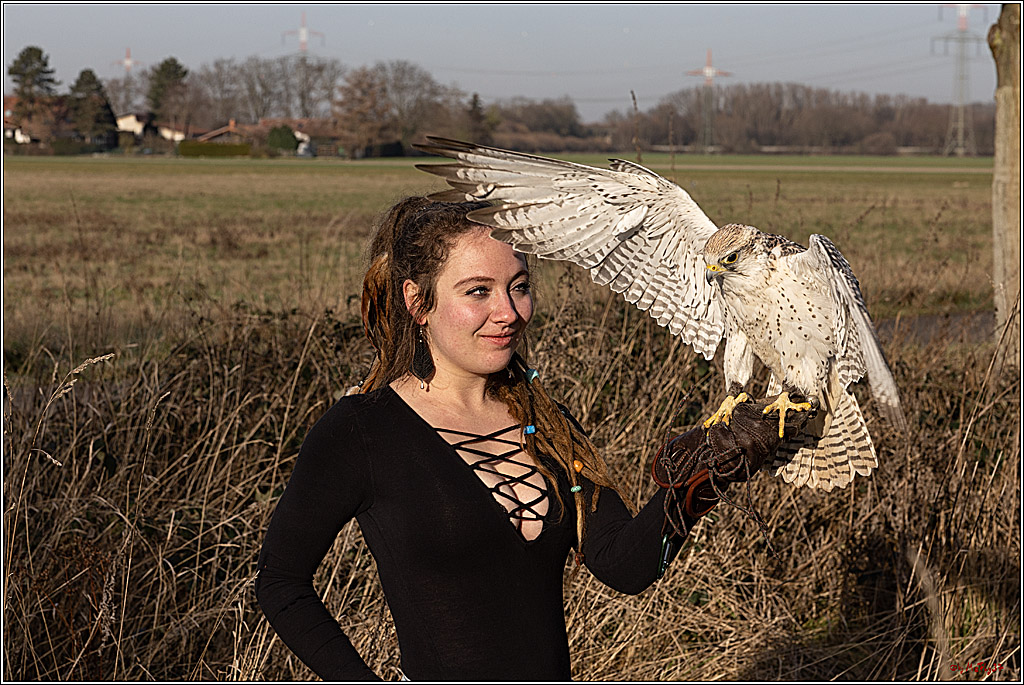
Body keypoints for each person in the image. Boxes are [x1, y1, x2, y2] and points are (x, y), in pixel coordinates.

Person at [255, 197, 804, 681]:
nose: (509, 313)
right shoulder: (362, 430)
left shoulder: (546, 420)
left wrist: (714, 468)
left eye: (520, 288)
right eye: (478, 291)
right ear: (417, 302)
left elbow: (624, 564)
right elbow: (281, 583)